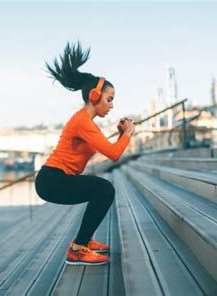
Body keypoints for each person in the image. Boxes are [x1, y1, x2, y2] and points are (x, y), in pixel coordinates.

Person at [35, 42, 135, 266]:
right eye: (109, 99)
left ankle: (83, 242)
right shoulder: (83, 121)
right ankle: (78, 249)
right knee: (104, 190)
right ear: (94, 96)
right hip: (52, 180)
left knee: (100, 190)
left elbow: (109, 149)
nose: (111, 105)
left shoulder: (85, 122)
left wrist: (121, 135)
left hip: (55, 179)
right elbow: (113, 154)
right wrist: (128, 133)